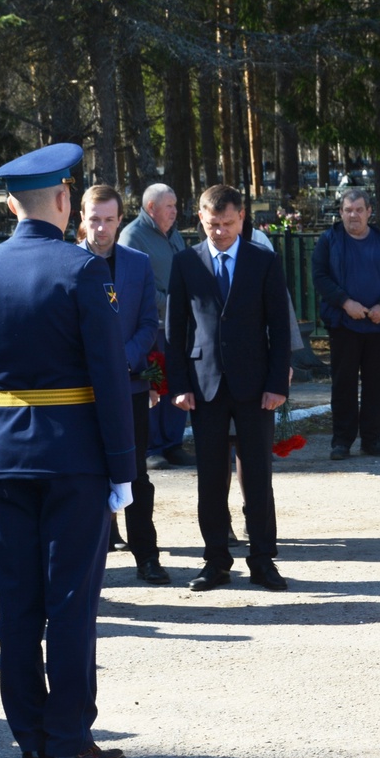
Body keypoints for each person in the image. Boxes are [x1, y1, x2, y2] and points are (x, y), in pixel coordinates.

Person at [0, 143, 134, 758]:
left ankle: (29, 735)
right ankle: (68, 738)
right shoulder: (82, 270)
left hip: (4, 459)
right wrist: (122, 468)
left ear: (7, 204)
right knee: (72, 601)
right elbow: (109, 378)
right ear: (63, 199)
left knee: (19, 603)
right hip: (74, 459)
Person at [166, 184, 291, 592]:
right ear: (200, 218)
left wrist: (277, 384)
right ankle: (216, 561)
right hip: (205, 388)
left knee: (257, 477)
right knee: (210, 479)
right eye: (212, 223)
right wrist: (179, 386)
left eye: (227, 223)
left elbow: (279, 326)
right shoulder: (186, 262)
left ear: (241, 219)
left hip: (255, 387)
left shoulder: (263, 261)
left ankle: (262, 560)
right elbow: (176, 331)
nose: (219, 231)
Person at [80, 185, 168, 584]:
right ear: (81, 219)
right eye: (94, 219)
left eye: (109, 220)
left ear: (120, 219)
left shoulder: (137, 262)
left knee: (135, 475)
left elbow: (149, 323)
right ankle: (88, 561)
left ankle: (146, 556)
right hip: (80, 391)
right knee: (85, 476)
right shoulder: (65, 262)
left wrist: (123, 360)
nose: (101, 228)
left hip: (129, 387)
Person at [312, 188, 380, 460]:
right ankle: (341, 442)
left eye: (359, 210)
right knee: (343, 385)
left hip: (379, 326)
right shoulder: (329, 240)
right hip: (344, 325)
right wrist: (345, 302)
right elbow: (320, 276)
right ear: (340, 212)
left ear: (369, 212)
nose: (353, 215)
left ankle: (372, 440)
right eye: (348, 210)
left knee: (376, 386)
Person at [117, 184, 195, 471]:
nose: (175, 211)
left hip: (177, 325)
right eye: (170, 206)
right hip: (151, 327)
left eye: (175, 205)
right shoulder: (132, 236)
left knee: (176, 383)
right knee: (153, 385)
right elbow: (135, 285)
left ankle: (173, 444)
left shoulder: (174, 236)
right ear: (151, 208)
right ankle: (151, 447)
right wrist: (173, 302)